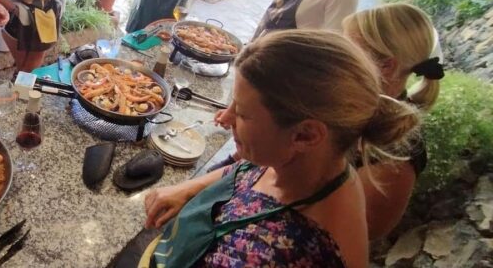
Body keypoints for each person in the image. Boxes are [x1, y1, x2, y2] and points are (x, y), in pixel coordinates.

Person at [142, 30, 420, 267]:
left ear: (305, 135)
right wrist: (190, 188)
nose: (226, 119)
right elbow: (248, 169)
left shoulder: (285, 250)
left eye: (243, 113)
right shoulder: (312, 163)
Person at [343, 3, 443, 240]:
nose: (338, 54)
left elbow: (350, 236)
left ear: (386, 66)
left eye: (349, 48)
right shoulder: (354, 101)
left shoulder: (396, 154)